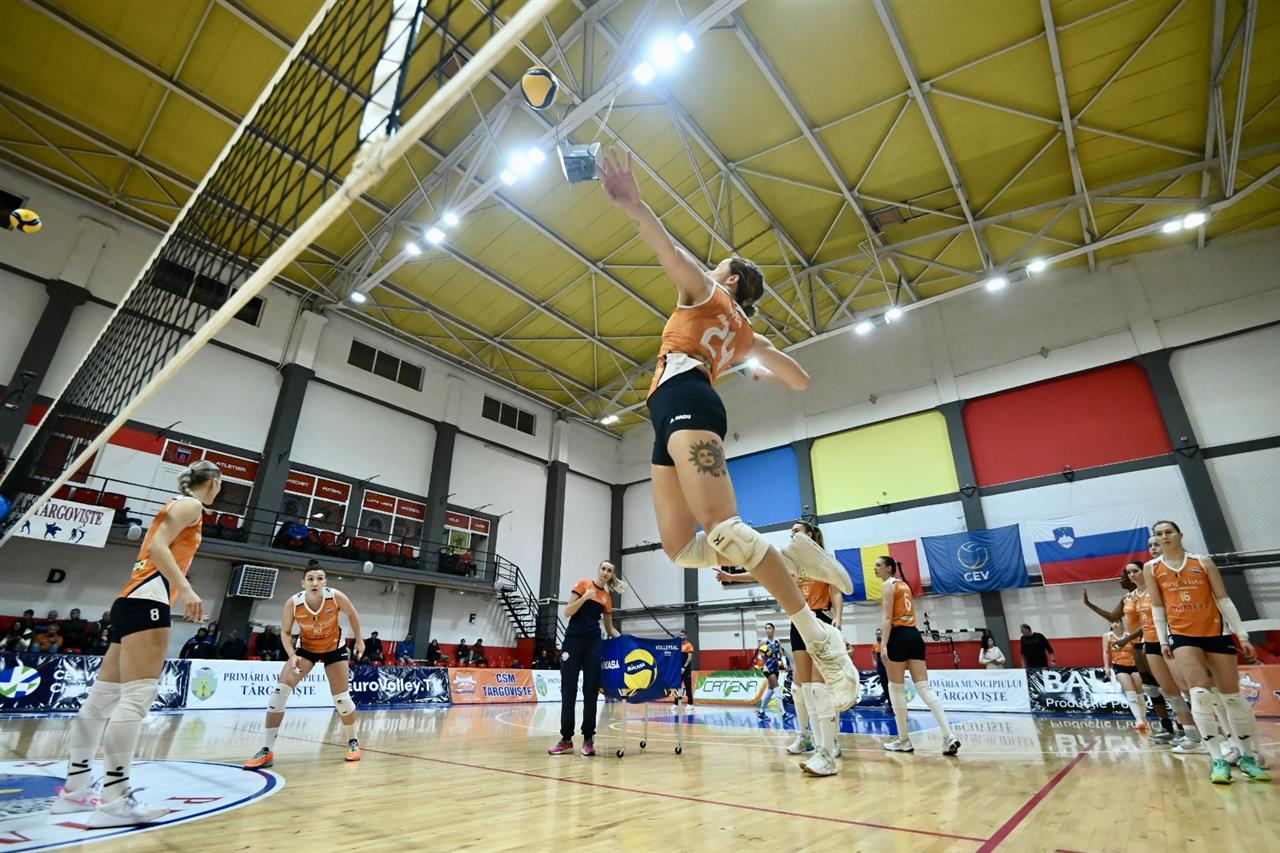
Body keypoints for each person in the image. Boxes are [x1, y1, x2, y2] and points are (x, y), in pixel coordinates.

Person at [596, 148, 860, 713]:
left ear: (730, 279)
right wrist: (760, 367)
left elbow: (667, 251)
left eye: (719, 268)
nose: (712, 270)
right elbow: (802, 379)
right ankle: (790, 557)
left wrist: (635, 205)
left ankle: (820, 636)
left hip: (687, 400)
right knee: (680, 548)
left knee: (725, 531)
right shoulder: (744, 335)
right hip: (669, 411)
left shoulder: (708, 294)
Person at [49, 459, 219, 825]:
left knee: (101, 701)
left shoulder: (179, 504)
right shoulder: (191, 505)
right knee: (137, 697)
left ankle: (75, 791)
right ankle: (115, 799)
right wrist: (186, 589)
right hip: (149, 599)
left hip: (130, 599)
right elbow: (158, 547)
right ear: (214, 483)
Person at [1144, 520, 1270, 783]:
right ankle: (1217, 760)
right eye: (1159, 534)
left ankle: (1247, 757)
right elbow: (1157, 607)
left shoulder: (1203, 562)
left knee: (1232, 697)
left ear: (1180, 534)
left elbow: (1223, 599)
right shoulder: (1152, 568)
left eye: (1168, 532)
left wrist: (1242, 634)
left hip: (1216, 632)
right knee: (1199, 694)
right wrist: (1164, 640)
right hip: (1181, 634)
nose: (1164, 537)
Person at [243, 565, 366, 769]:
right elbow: (285, 633)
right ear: (303, 583)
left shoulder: (335, 597)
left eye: (320, 578)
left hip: (334, 648)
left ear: (325, 582)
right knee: (278, 693)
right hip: (306, 649)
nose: (315, 582)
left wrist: (359, 640)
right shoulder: (293, 603)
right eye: (310, 579)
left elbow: (353, 614)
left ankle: (353, 741)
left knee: (342, 700)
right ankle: (266, 750)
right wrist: (292, 655)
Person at [1082, 560, 1182, 744]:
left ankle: (1183, 727)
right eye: (1126, 574)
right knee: (1150, 688)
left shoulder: (1148, 593)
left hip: (1152, 641)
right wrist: (1089, 604)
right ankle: (1166, 727)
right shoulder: (1127, 598)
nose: (1123, 578)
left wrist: (1126, 639)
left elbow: (1149, 622)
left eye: (1127, 575)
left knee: (1166, 686)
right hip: (1137, 645)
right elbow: (1113, 617)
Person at [877, 556, 960, 756]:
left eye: (878, 565)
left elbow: (887, 618)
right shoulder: (904, 585)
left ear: (889, 568)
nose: (875, 569)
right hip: (914, 635)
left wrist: (883, 644)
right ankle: (948, 734)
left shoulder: (888, 585)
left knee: (895, 688)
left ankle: (903, 740)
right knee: (924, 687)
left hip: (898, 635)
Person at [779, 521, 844, 776]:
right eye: (791, 532)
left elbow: (836, 592)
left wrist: (838, 618)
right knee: (803, 688)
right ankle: (813, 742)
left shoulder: (824, 560)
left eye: (796, 530)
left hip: (820, 620)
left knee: (820, 687)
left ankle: (830, 743)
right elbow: (765, 573)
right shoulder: (792, 563)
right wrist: (731, 577)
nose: (792, 534)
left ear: (810, 534)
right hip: (798, 621)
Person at [548, 561, 622, 757]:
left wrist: (626, 641)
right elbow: (567, 612)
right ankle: (566, 739)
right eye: (603, 569)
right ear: (598, 570)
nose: (606, 572)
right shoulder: (583, 585)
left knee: (591, 692)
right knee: (568, 691)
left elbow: (609, 629)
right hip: (572, 642)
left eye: (609, 570)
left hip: (593, 644)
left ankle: (588, 739)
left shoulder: (607, 597)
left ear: (611, 575)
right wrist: (585, 597)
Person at [1103, 620, 1149, 731]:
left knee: (1140, 694)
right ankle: (1138, 720)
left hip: (1134, 666)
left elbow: (1137, 650)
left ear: (1122, 623)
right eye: (1112, 622)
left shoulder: (1129, 635)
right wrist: (1106, 667)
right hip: (1120, 666)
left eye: (1117, 622)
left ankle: (1143, 718)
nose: (1115, 624)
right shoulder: (1107, 636)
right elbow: (1106, 652)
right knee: (1131, 694)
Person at [676, 629, 695, 706]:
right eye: (680, 635)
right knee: (677, 686)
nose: (681, 636)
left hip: (686, 669)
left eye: (683, 635)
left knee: (687, 686)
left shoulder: (689, 645)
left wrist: (684, 667)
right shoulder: (678, 645)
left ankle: (690, 703)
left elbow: (690, 658)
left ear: (686, 636)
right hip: (678, 669)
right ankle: (677, 703)